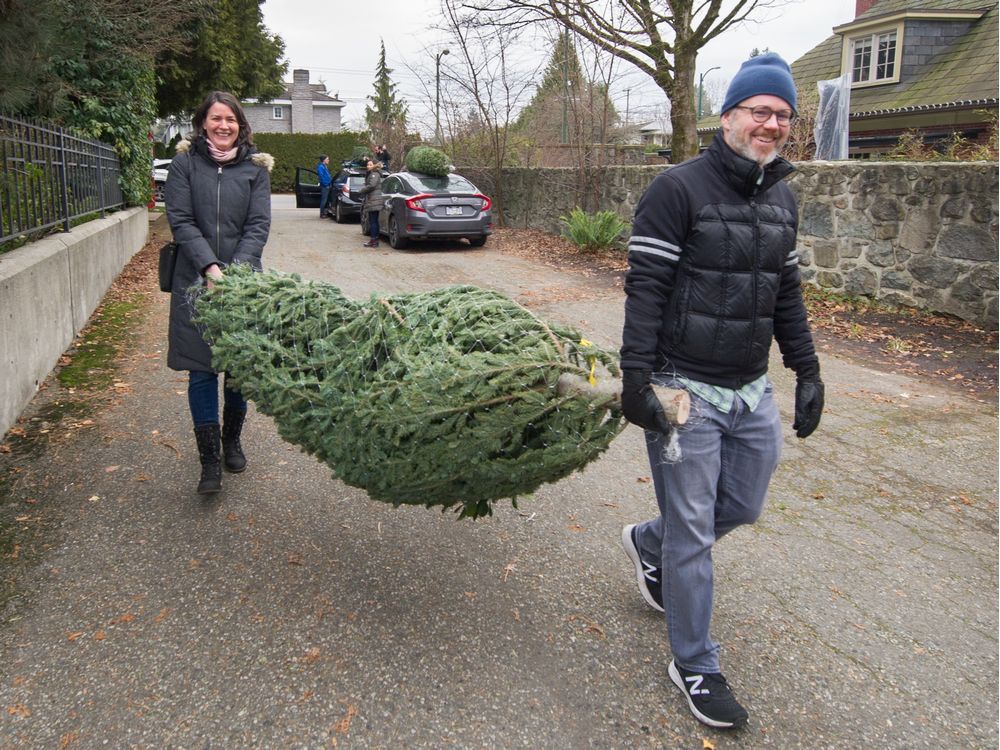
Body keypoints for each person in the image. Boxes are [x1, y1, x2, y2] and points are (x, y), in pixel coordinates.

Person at [618, 53, 824, 730]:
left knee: (742, 504)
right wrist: (636, 379)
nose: (772, 124)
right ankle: (695, 664)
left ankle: (649, 542)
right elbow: (646, 289)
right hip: (683, 390)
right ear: (729, 115)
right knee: (694, 534)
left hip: (750, 389)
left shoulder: (783, 197)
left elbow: (785, 293)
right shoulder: (677, 189)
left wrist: (808, 369)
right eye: (760, 110)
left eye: (783, 115)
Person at [164, 91, 273, 495]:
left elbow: (258, 225)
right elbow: (180, 219)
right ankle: (209, 459)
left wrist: (233, 273)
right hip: (194, 280)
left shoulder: (255, 168)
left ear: (240, 125)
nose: (223, 125)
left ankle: (232, 441)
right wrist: (210, 267)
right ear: (203, 123)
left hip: (242, 283)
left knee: (238, 368)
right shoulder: (184, 164)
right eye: (216, 118)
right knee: (202, 369)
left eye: (230, 119)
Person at [359, 159, 384, 248]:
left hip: (374, 200)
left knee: (373, 221)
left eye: (370, 164)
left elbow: (372, 185)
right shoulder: (374, 173)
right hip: (373, 200)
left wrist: (362, 190)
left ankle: (374, 240)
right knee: (374, 221)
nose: (368, 166)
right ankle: (374, 240)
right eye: (367, 164)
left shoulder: (374, 174)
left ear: (374, 165)